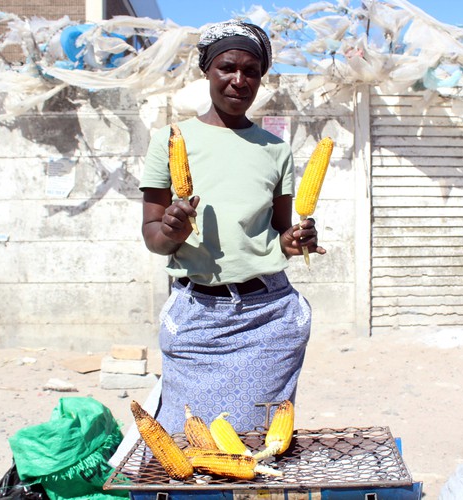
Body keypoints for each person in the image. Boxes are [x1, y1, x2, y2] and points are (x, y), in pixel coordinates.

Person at [139, 20, 326, 434]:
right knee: (189, 443)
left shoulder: (275, 150)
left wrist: (295, 240)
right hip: (197, 316)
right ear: (207, 69)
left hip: (267, 316)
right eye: (227, 67)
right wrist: (170, 231)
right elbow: (153, 236)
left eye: (252, 72)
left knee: (256, 446)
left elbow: (279, 232)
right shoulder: (171, 141)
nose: (239, 80)